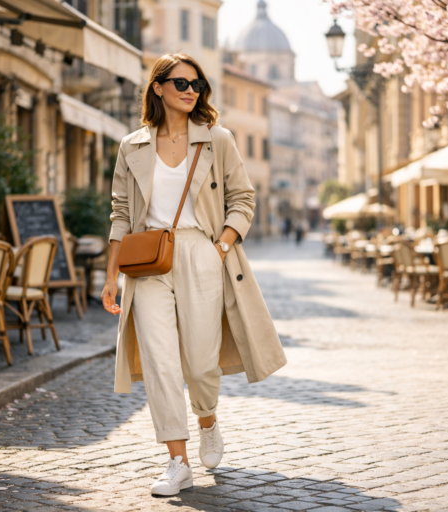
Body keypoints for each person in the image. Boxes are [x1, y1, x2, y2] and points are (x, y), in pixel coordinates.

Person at [101, 53, 287, 497]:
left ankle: (208, 419)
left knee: (202, 363)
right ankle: (177, 461)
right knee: (162, 363)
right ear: (158, 87)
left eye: (197, 84)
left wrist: (220, 246)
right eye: (181, 83)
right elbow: (121, 213)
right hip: (147, 261)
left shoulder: (216, 139)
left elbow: (243, 198)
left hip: (201, 252)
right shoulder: (132, 147)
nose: (190, 91)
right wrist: (111, 276)